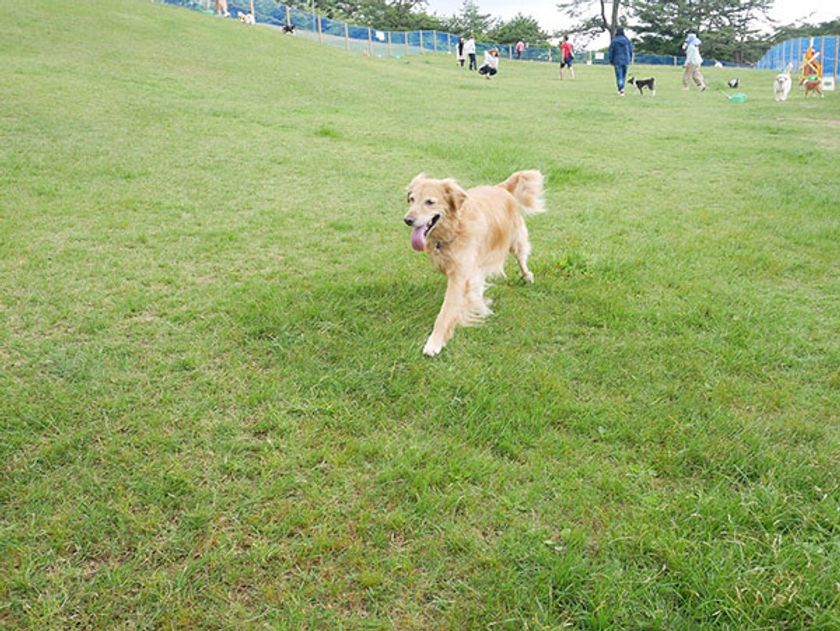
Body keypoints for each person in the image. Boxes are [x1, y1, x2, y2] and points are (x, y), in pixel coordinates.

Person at [608, 27, 633, 96]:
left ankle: (620, 88)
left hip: (617, 60)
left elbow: (611, 51)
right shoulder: (627, 40)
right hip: (626, 60)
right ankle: (622, 89)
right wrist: (630, 58)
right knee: (624, 75)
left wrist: (611, 60)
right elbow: (630, 50)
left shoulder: (614, 40)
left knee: (619, 75)